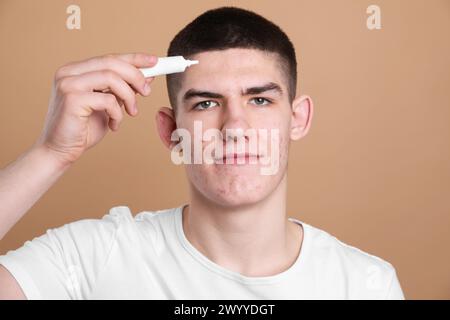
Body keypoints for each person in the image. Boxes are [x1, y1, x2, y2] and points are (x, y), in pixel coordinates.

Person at [0, 6, 405, 299]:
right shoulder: (94, 257)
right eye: (206, 104)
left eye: (260, 101)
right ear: (171, 131)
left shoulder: (365, 284)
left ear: (297, 118)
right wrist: (51, 154)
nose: (235, 128)